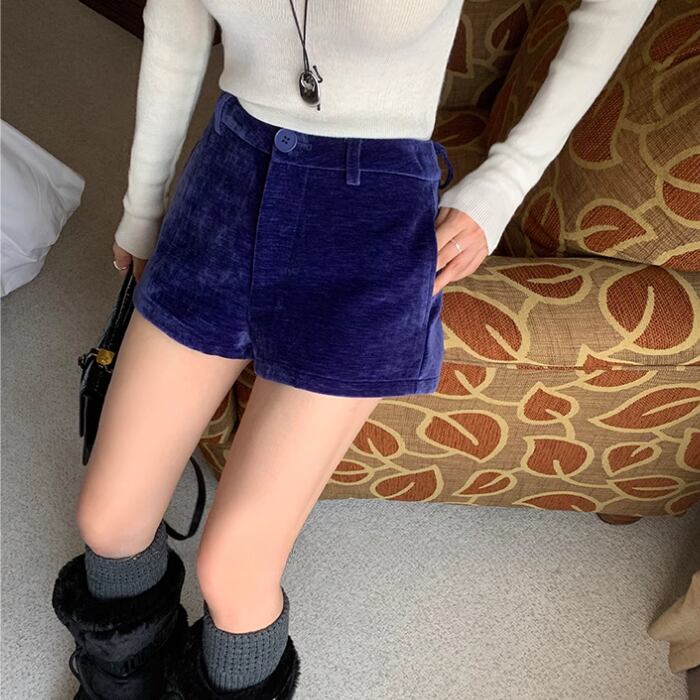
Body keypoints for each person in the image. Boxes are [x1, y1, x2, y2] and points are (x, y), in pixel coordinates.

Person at [51, 0, 658, 697]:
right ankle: (119, 683)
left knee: (233, 568)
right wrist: (143, 208)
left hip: (371, 212)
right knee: (107, 519)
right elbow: (176, 24)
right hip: (226, 180)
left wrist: (507, 178)